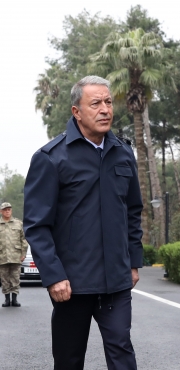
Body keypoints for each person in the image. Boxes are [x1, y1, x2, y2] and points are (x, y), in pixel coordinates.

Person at [23, 75, 143, 370]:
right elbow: (37, 225)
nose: (105, 109)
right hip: (71, 284)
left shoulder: (124, 154)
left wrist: (133, 262)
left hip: (115, 282)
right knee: (69, 358)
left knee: (122, 353)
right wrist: (53, 276)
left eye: (108, 102)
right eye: (95, 103)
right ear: (76, 111)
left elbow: (133, 211)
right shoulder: (51, 158)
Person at [0, 202, 28, 307]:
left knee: (15, 277)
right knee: (4, 278)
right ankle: (7, 299)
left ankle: (14, 299)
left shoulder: (18, 223)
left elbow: (23, 240)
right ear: (1, 211)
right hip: (2, 255)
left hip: (15, 255)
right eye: (5, 210)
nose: (7, 211)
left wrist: (23, 253)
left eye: (9, 209)